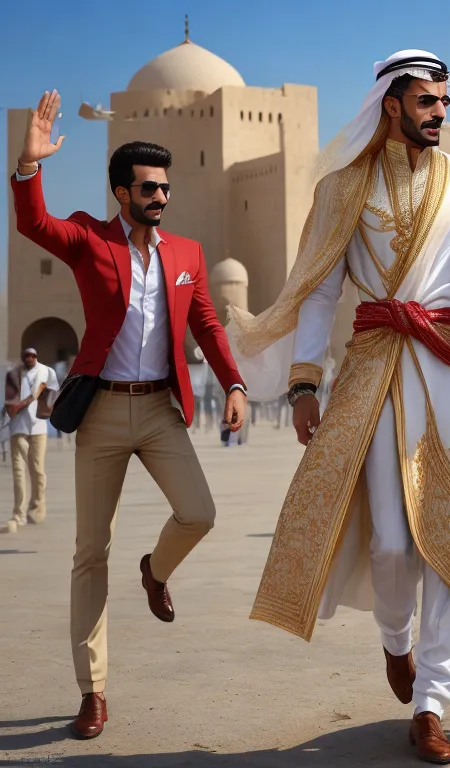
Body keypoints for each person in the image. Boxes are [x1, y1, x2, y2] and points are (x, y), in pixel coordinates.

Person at [226, 50, 450, 764]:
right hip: (373, 369)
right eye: (428, 100)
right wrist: (307, 381)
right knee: (390, 545)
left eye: (445, 99)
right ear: (391, 104)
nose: (441, 111)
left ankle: (433, 700)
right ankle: (395, 640)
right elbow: (318, 291)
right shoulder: (343, 190)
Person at [11, 90, 248, 740]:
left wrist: (233, 383)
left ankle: (156, 570)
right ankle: (93, 691)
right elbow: (36, 227)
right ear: (121, 192)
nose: (160, 197)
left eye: (165, 188)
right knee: (90, 552)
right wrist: (29, 169)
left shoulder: (187, 255)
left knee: (199, 511)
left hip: (160, 412)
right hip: (104, 417)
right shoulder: (90, 237)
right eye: (147, 187)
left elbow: (205, 324)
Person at [4, 347, 58, 530]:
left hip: (38, 427)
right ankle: (18, 514)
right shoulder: (13, 374)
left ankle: (36, 505)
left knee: (37, 469)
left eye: (32, 355)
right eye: (26, 356)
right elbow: (8, 400)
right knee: (18, 471)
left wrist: (45, 397)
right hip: (17, 427)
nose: (29, 358)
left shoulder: (46, 372)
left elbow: (54, 393)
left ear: (36, 357)